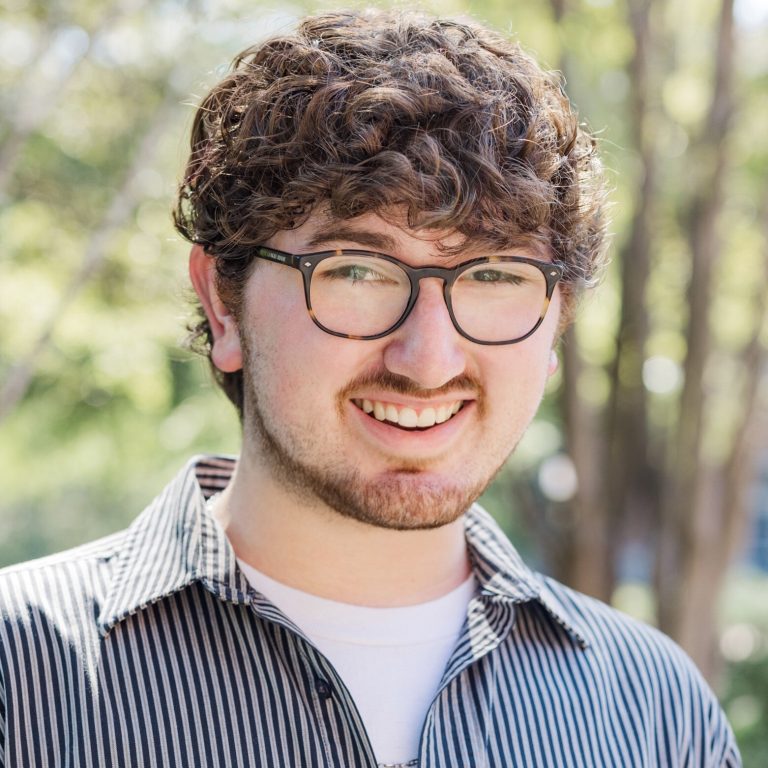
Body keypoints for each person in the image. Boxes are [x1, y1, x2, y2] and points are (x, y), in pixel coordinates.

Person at [0, 9, 740, 768]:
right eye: (357, 271)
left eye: (492, 276)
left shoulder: (655, 714)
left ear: (556, 325)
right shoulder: (16, 676)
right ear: (224, 302)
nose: (428, 360)